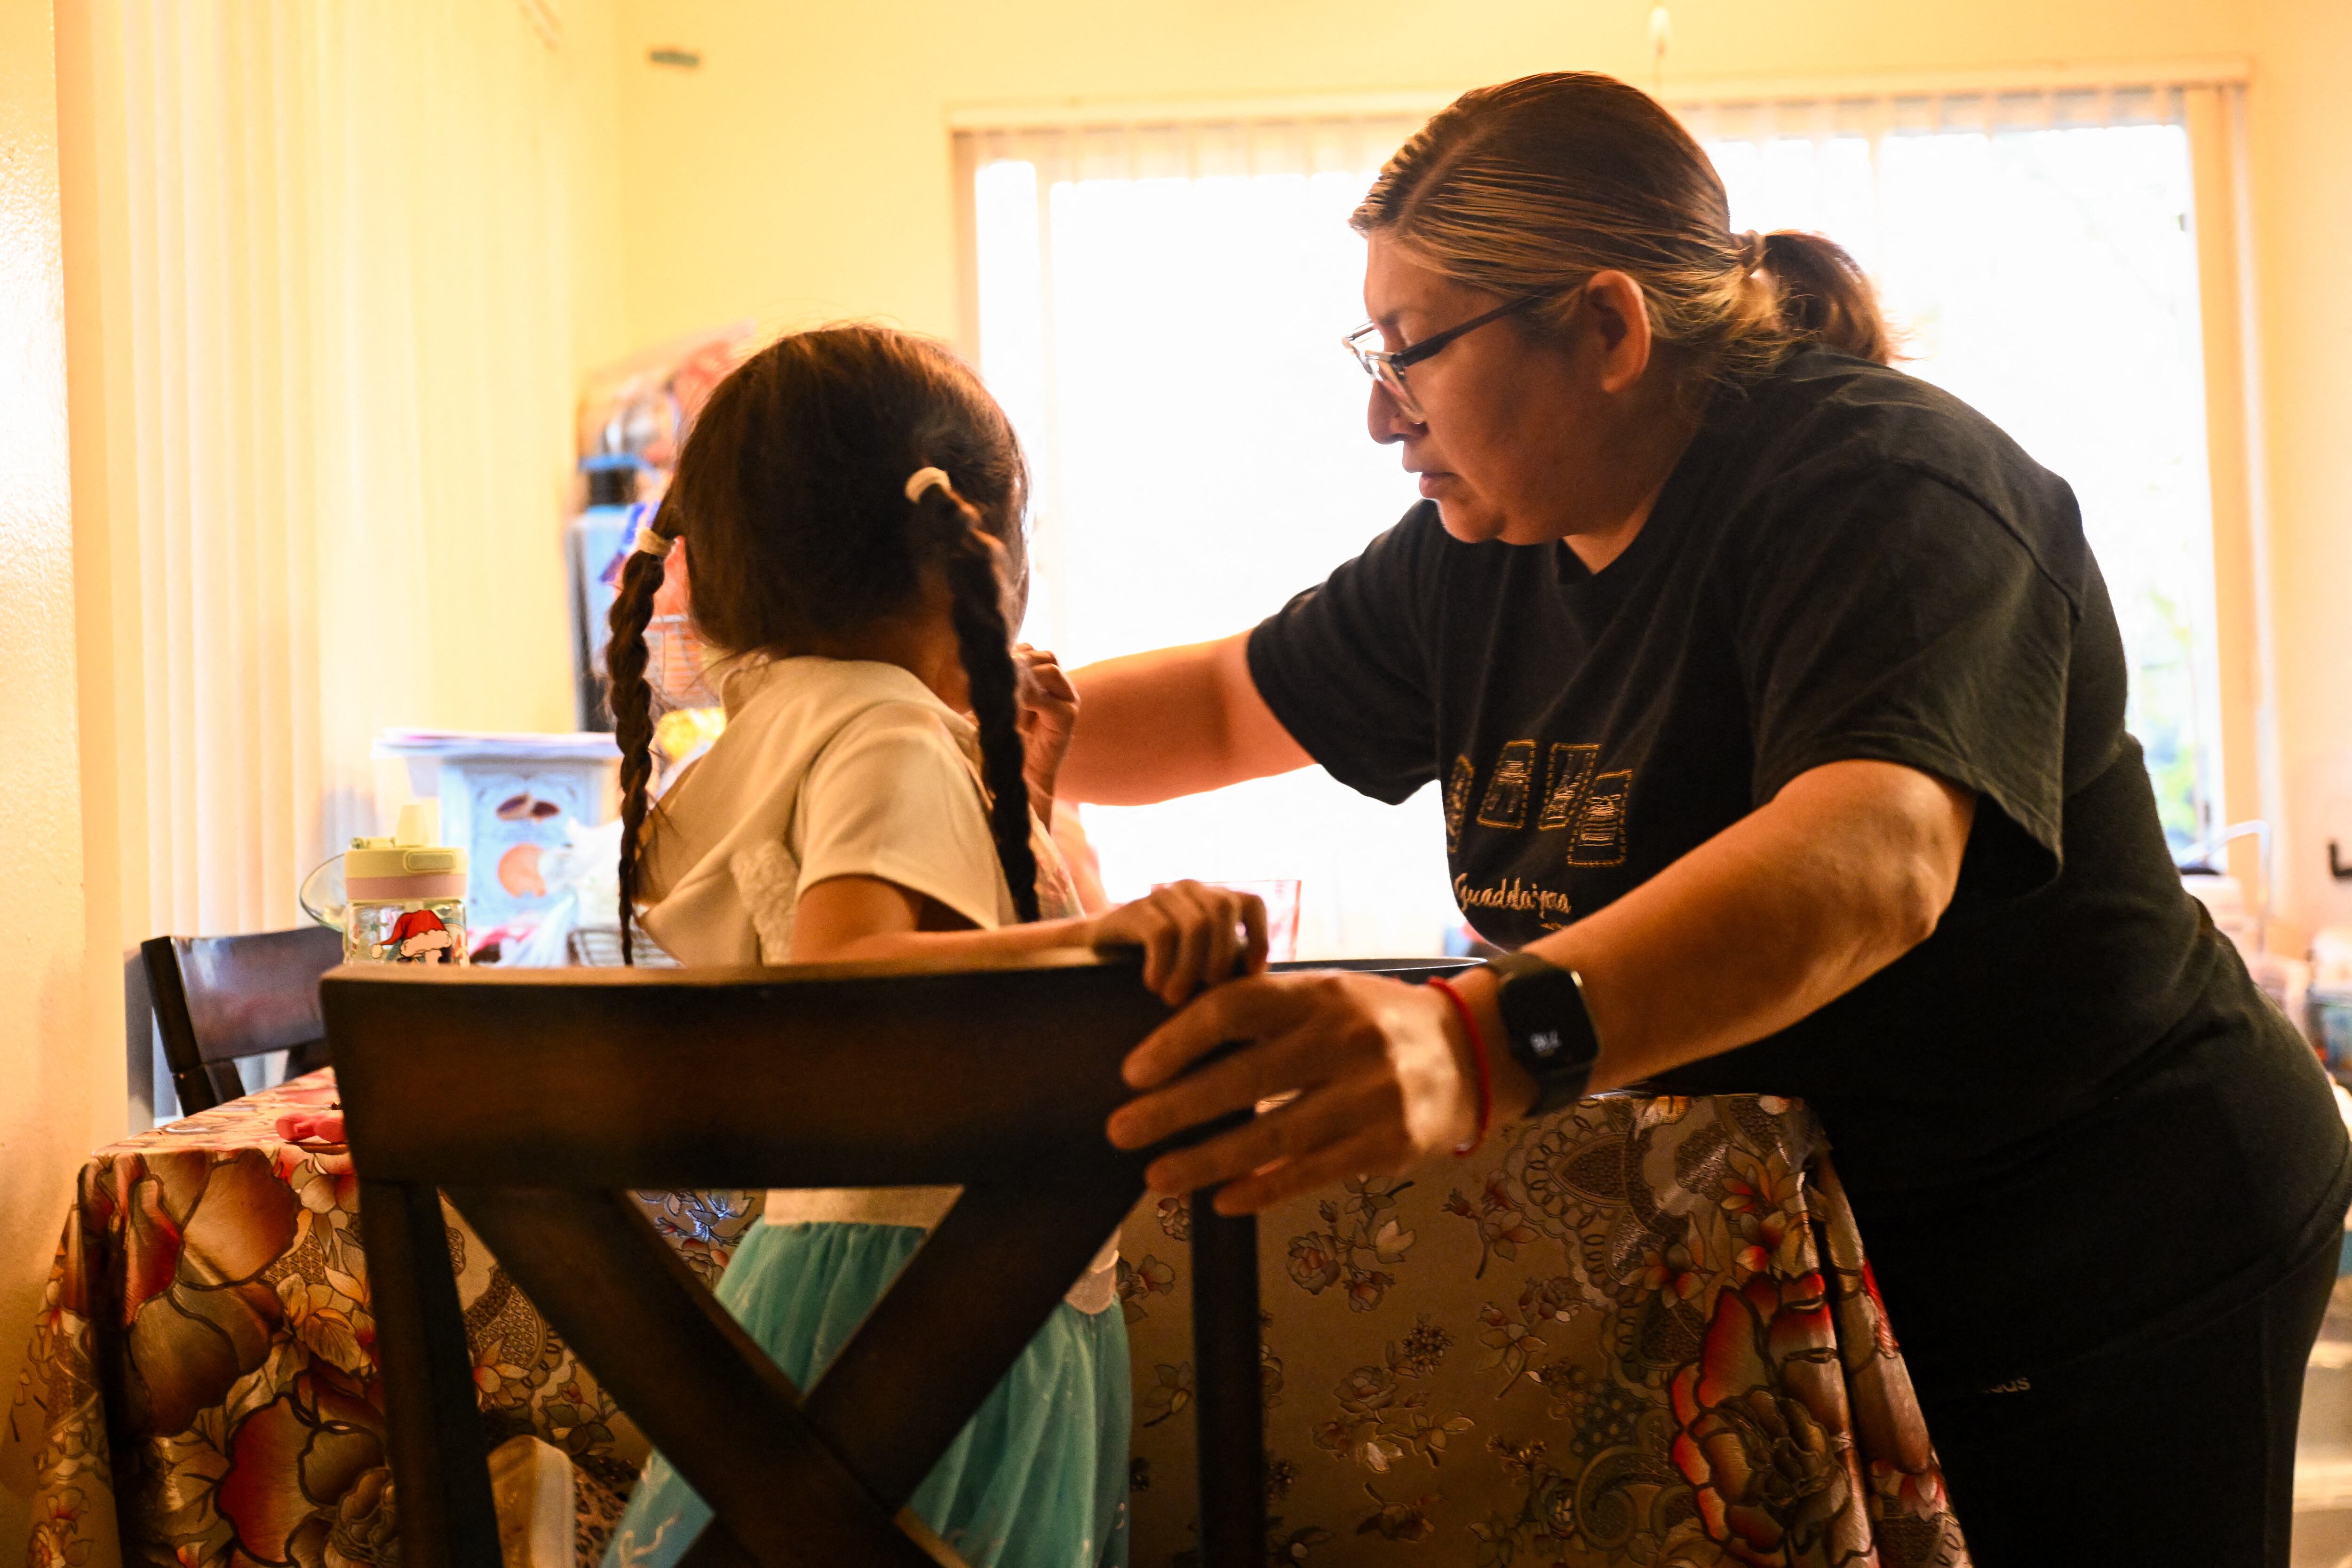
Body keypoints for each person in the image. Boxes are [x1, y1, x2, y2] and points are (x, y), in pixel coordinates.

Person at [1062, 72, 2352, 1564]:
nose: (1378, 412)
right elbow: (1227, 704)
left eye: (1412, 349)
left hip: (2098, 1226)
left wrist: (1480, 1041)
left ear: (1609, 329)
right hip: (1815, 1228)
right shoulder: (1476, 552)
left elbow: (1873, 856)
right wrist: (940, 725)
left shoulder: (1883, 485)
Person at [596, 325, 1266, 1568]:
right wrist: (1107, 937)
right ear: (971, 546)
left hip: (848, 1279)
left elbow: (939, 975)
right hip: (940, 1304)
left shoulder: (797, 718)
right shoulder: (885, 726)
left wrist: (1021, 815)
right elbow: (844, 980)